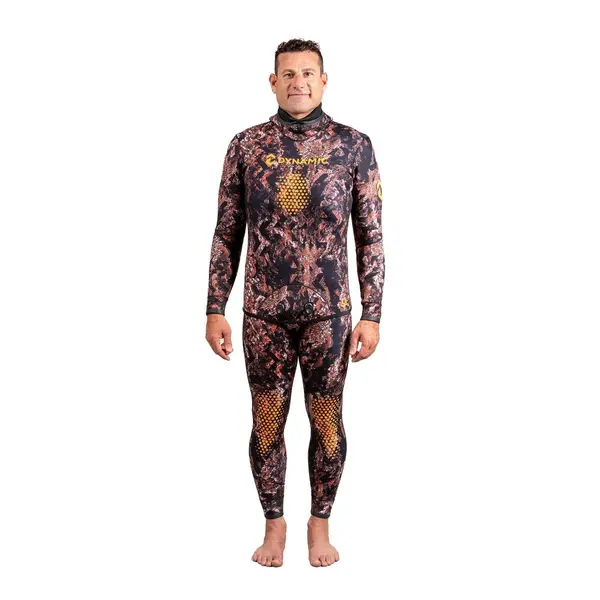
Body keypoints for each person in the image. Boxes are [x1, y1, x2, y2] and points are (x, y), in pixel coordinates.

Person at [205, 38, 385, 567]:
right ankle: (274, 524)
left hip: (329, 315)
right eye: (288, 74)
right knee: (267, 424)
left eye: (308, 73)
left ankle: (319, 523)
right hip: (264, 315)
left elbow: (371, 236)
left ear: (323, 81)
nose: (298, 82)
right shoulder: (247, 145)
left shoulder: (353, 146)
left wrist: (372, 314)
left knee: (327, 423)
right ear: (273, 82)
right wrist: (215, 306)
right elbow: (226, 232)